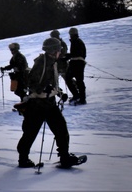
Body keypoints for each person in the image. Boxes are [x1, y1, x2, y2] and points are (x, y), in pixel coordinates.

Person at [15, 37, 85, 169]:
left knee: (61, 129)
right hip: (37, 104)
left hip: (50, 103)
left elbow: (51, 83)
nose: (60, 52)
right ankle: (23, 159)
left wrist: (59, 93)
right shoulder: (41, 63)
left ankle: (64, 157)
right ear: (54, 51)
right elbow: (31, 82)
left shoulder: (53, 62)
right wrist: (43, 88)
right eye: (59, 50)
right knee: (30, 132)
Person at [66, 27, 87, 105]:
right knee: (69, 79)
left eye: (71, 34)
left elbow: (78, 54)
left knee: (79, 81)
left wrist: (68, 56)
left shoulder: (77, 42)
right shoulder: (75, 41)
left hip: (78, 64)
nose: (71, 35)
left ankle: (82, 99)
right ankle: (77, 96)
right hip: (75, 63)